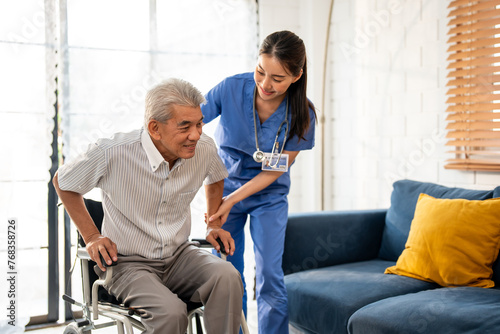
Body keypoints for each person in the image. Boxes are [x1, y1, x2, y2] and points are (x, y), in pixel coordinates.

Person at [53, 78, 244, 334]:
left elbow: (216, 176)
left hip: (180, 256)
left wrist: (214, 224)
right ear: (155, 128)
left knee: (227, 276)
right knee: (171, 313)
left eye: (199, 124)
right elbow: (63, 181)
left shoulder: (204, 148)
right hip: (127, 265)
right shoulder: (112, 152)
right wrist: (92, 236)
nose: (196, 134)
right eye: (185, 126)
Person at [201, 30, 317, 333]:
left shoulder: (303, 114)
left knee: (269, 274)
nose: (265, 84)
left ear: (296, 76)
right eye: (261, 71)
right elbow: (191, 122)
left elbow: (275, 171)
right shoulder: (230, 89)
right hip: (224, 188)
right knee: (227, 271)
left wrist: (231, 200)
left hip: (269, 195)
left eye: (277, 79)